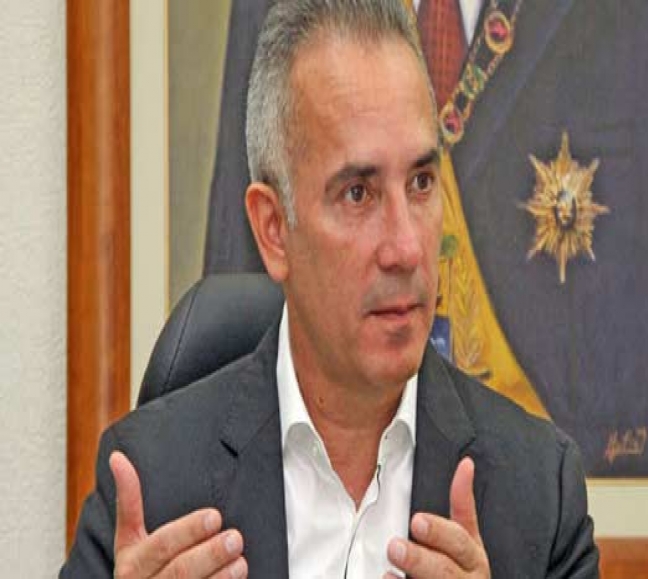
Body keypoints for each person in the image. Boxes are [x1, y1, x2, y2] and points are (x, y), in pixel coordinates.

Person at [62, 1, 599, 577]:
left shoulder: (539, 495)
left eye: (422, 183)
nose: (407, 249)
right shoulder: (149, 486)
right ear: (273, 229)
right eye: (358, 194)